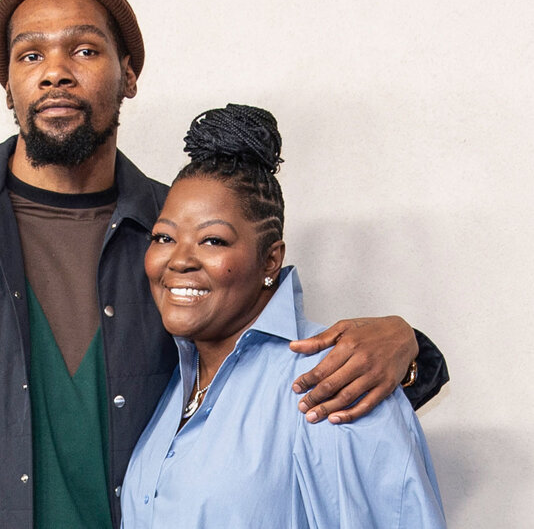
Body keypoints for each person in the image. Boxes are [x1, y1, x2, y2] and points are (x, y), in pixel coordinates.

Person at [0, 0, 448, 529]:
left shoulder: (177, 237)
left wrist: (411, 349)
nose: (55, 72)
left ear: (129, 74)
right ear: (8, 88)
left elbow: (269, 392)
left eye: (84, 51)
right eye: (30, 55)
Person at [120, 104, 445, 528]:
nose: (179, 260)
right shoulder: (178, 385)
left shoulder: (332, 383)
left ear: (270, 260)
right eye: (164, 237)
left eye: (213, 240)